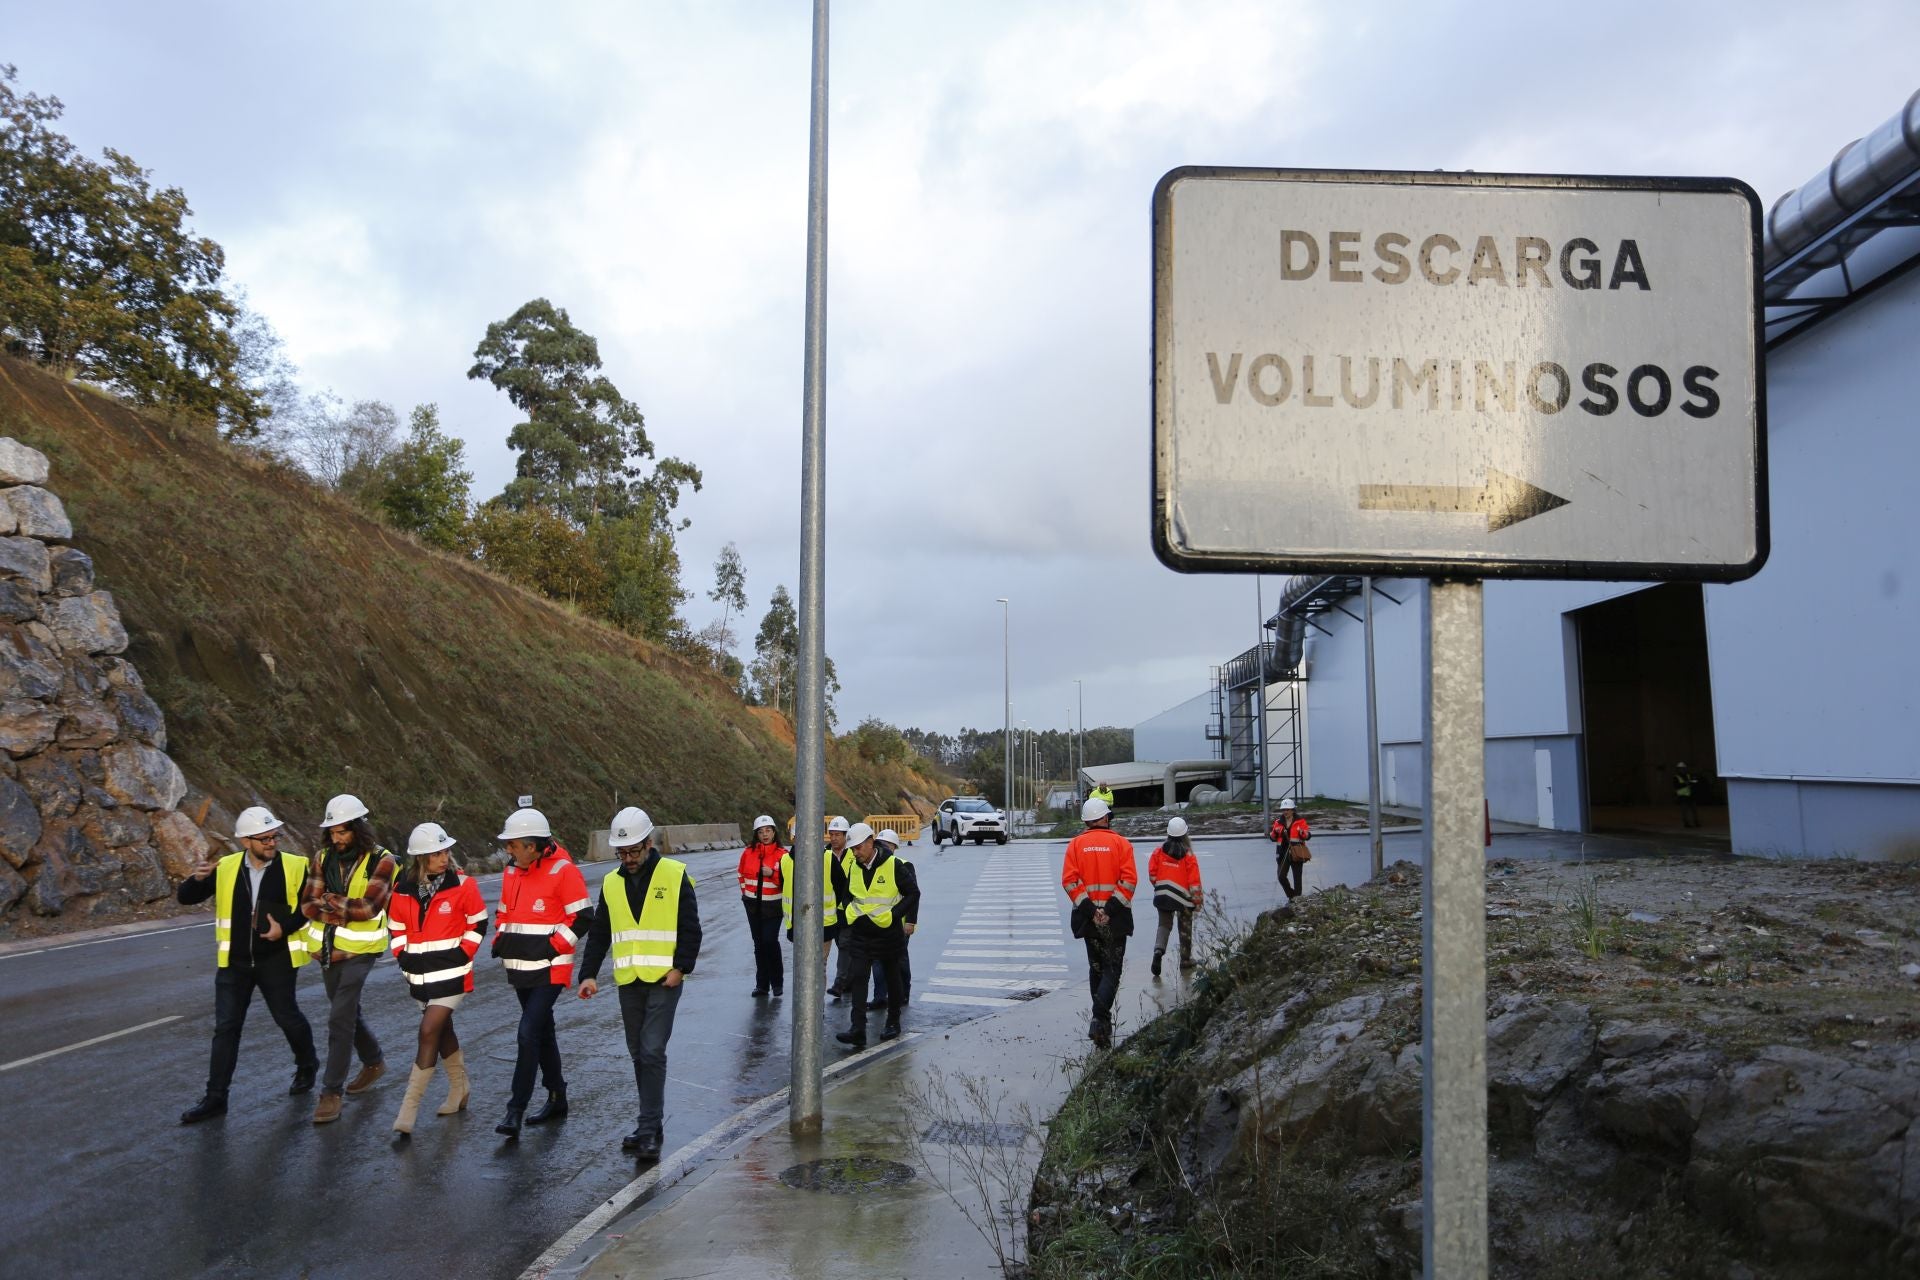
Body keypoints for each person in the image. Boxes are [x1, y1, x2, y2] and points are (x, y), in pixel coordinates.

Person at [178, 806, 319, 1123]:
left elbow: (311, 905)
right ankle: (215, 1098)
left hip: (277, 960)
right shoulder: (226, 867)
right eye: (264, 838)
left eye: (274, 836)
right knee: (226, 1029)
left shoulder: (295, 866)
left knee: (287, 1017)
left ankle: (307, 1064)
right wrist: (195, 879)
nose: (271, 843)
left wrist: (285, 927)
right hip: (235, 963)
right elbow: (186, 898)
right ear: (245, 841)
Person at [577, 806, 703, 1160]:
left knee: (651, 1050)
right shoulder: (611, 882)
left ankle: (648, 1129)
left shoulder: (674, 875)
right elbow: (600, 932)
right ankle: (653, 1120)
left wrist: (681, 968)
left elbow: (691, 929)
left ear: (649, 844)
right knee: (638, 1053)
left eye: (634, 851)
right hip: (628, 981)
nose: (629, 858)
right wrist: (587, 974)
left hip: (664, 979)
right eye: (623, 852)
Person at [491, 806, 591, 1138]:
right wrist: (501, 938)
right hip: (520, 967)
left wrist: (551, 948)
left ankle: (514, 1110)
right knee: (542, 1032)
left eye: (513, 844)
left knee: (527, 1033)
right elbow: (504, 910)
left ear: (533, 846)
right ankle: (557, 1095)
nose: (508, 849)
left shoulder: (563, 870)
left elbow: (583, 918)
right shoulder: (511, 871)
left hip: (549, 968)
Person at [297, 793, 396, 1124]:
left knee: (339, 1018)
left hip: (362, 951)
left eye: (343, 831)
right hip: (328, 950)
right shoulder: (322, 856)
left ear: (358, 828)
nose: (337, 839)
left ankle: (331, 1092)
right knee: (347, 1012)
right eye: (333, 832)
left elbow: (369, 908)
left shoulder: (382, 860)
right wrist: (340, 905)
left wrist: (329, 900)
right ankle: (374, 1060)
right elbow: (307, 904)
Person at [385, 822, 488, 1136]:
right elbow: (395, 929)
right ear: (420, 858)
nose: (443, 858)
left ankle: (409, 1109)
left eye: (445, 851)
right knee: (443, 1032)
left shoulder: (463, 885)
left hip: (453, 975)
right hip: (418, 977)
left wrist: (462, 955)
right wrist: (403, 958)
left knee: (428, 1030)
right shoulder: (401, 890)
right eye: (435, 853)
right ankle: (460, 1089)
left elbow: (478, 922)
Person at [832, 822, 919, 1050]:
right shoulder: (854, 866)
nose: (855, 852)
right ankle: (857, 1030)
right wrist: (847, 916)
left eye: (858, 848)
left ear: (870, 843)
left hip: (888, 932)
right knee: (859, 977)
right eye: (852, 849)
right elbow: (847, 895)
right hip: (861, 932)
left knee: (892, 977)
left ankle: (893, 1022)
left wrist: (896, 915)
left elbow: (913, 893)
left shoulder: (893, 865)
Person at [1061, 796, 1136, 1049]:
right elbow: (1129, 881)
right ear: (1105, 818)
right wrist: (1109, 910)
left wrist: (1092, 911)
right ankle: (1098, 1019)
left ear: (1085, 821)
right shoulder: (1122, 844)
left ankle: (1103, 1024)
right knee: (1112, 969)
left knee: (1097, 969)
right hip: (1116, 919)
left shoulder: (1074, 845)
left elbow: (1070, 882)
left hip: (1088, 919)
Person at [783, 815, 841, 997]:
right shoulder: (786, 860)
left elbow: (842, 887)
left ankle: (816, 1007)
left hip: (824, 925)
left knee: (818, 966)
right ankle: (805, 1005)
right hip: (797, 925)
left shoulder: (828, 858)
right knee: (803, 967)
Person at [1148, 816, 1203, 977]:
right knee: (1185, 926)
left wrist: (1160, 887)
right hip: (1183, 898)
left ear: (1168, 833)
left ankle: (1158, 950)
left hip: (1162, 895)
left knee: (1164, 925)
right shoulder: (1188, 855)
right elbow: (1194, 882)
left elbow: (1152, 874)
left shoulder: (1158, 851)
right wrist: (1197, 901)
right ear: (1185, 834)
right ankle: (1185, 960)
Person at [737, 815, 786, 999]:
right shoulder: (748, 853)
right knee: (758, 945)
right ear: (756, 834)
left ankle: (777, 982)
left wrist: (772, 873)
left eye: (768, 831)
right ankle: (762, 985)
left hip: (773, 906)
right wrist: (745, 894)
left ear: (774, 832)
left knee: (769, 941)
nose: (765, 835)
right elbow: (741, 874)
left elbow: (787, 880)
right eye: (761, 831)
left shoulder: (782, 855)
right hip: (752, 906)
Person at [868, 829, 912, 1006]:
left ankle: (903, 994)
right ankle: (880, 997)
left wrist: (910, 920)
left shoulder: (903, 865)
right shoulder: (871, 866)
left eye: (887, 845)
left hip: (898, 925)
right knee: (877, 961)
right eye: (881, 844)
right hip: (876, 924)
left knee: (899, 960)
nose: (884, 848)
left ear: (894, 847)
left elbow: (912, 896)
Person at [1270, 798, 1312, 902]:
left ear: (1293, 810)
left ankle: (1297, 899)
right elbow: (1272, 838)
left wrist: (1303, 833)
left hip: (1296, 853)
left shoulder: (1300, 821)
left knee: (1297, 878)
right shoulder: (1278, 822)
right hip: (1282, 853)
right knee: (1281, 876)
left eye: (1287, 809)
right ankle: (1291, 895)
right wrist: (1275, 832)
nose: (1285, 812)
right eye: (1283, 809)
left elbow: (1308, 835)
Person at [1673, 762, 1702, 829]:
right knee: (1684, 811)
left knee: (1694, 810)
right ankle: (1686, 823)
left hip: (1690, 795)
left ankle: (1696, 822)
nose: (1683, 769)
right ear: (1678, 769)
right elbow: (1676, 786)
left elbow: (1694, 782)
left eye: (1683, 768)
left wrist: (1694, 781)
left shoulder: (1688, 775)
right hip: (1683, 796)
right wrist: (1686, 783)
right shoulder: (1676, 777)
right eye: (1681, 768)